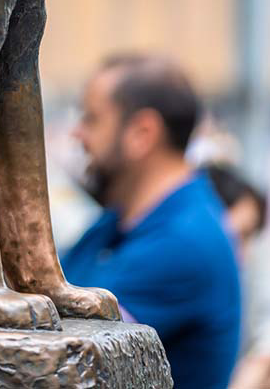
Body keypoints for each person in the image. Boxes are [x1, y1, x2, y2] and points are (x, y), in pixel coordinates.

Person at [61, 54, 241, 389]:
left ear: (142, 132)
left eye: (91, 119)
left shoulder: (184, 243)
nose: (77, 134)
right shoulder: (116, 223)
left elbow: (62, 356)